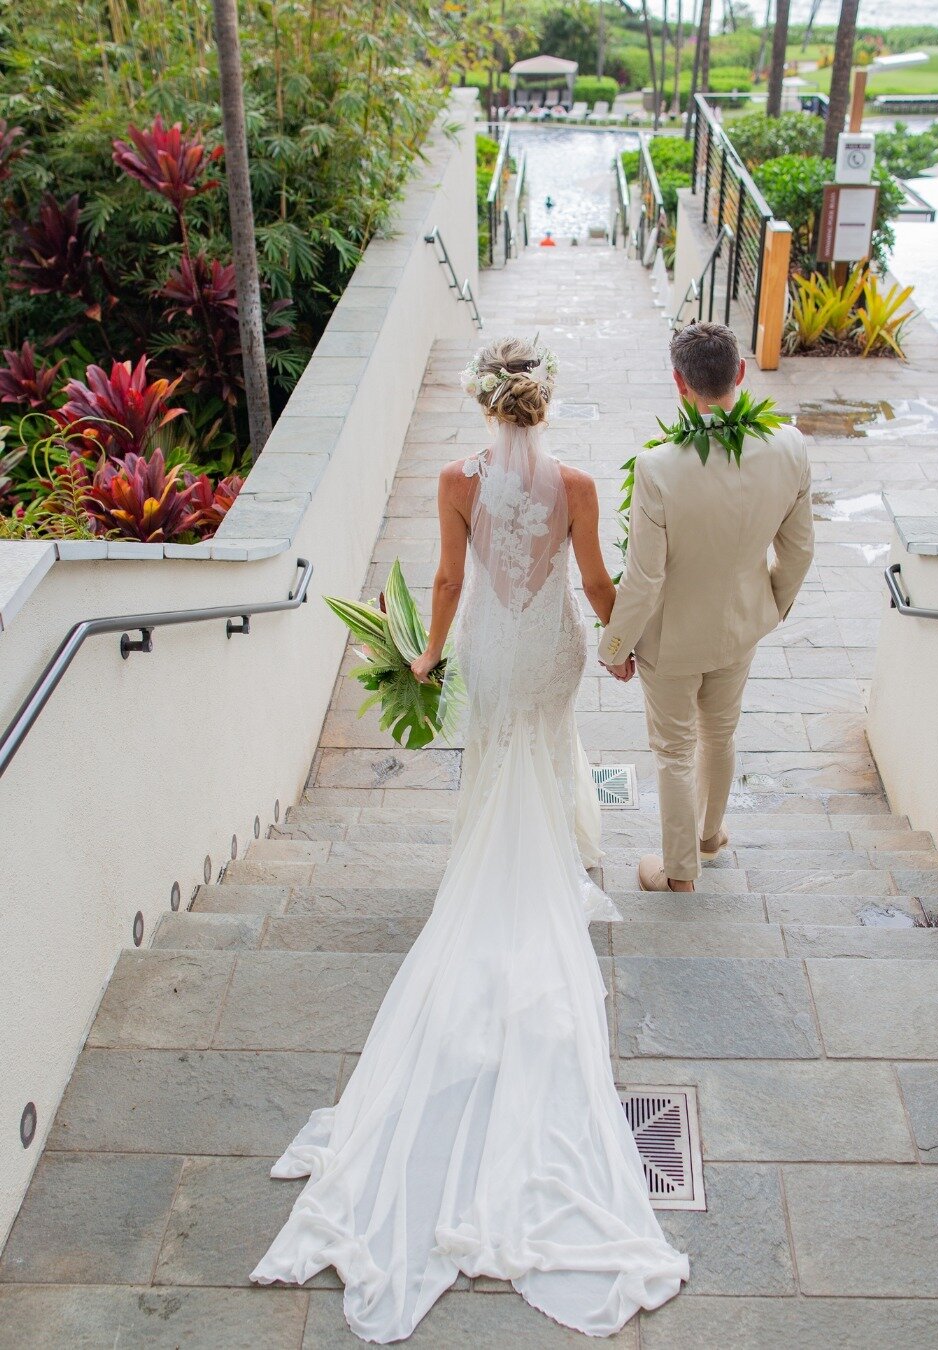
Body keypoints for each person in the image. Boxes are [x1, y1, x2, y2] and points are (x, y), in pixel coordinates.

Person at [250, 336, 688, 1341]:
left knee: (498, 757)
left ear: (486, 403)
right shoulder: (575, 482)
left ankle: (500, 866)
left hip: (491, 647)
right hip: (552, 650)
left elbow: (448, 583)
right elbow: (595, 584)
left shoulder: (454, 479)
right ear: (544, 404)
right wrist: (619, 654)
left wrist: (426, 656)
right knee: (546, 740)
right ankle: (547, 862)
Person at [598, 321, 814, 893]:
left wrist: (615, 646)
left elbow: (644, 580)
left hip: (671, 640)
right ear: (741, 373)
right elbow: (798, 552)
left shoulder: (658, 467)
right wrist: (768, 606)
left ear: (679, 384)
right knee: (720, 734)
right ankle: (710, 837)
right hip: (740, 628)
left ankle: (678, 873)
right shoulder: (790, 447)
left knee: (673, 750)